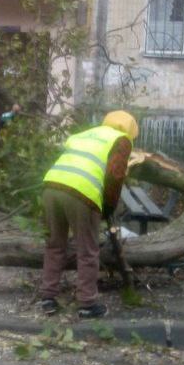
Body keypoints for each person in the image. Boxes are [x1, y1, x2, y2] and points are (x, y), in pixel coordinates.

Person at [36, 110, 138, 319]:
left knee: (55, 244)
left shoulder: (86, 134)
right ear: (129, 130)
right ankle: (87, 303)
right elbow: (115, 178)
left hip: (52, 186)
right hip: (82, 193)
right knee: (88, 250)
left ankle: (48, 297)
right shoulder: (121, 140)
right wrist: (108, 208)